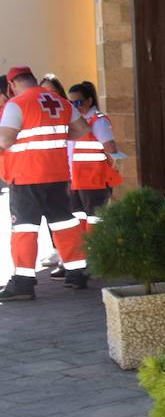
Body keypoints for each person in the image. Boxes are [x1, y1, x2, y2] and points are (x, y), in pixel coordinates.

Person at [0, 66, 92, 298]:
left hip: (26, 175)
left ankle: (23, 282)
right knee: (64, 224)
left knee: (24, 228)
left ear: (12, 85)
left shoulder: (17, 104)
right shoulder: (59, 101)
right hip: (58, 174)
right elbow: (82, 129)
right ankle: (76, 273)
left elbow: (5, 139)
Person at [66, 80, 122, 236]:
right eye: (71, 103)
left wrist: (114, 164)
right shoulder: (77, 122)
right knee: (79, 217)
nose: (75, 106)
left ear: (89, 100)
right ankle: (83, 252)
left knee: (95, 219)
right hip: (79, 179)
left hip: (94, 180)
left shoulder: (98, 121)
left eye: (78, 102)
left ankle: (94, 253)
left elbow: (110, 148)